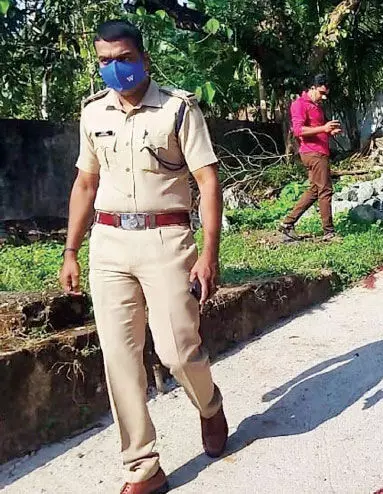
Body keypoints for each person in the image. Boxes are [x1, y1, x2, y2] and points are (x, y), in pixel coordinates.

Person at [59, 20, 227, 494]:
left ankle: (209, 405)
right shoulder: (92, 113)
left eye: (124, 57)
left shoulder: (177, 110)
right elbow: (85, 183)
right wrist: (71, 250)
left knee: (177, 351)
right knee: (120, 358)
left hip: (166, 240)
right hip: (108, 244)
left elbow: (208, 182)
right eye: (105, 61)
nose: (116, 68)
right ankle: (143, 466)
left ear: (144, 58)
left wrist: (208, 254)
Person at [279, 74, 342, 241]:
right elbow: (298, 131)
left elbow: (318, 128)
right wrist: (323, 128)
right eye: (321, 92)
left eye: (325, 93)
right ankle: (329, 232)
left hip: (318, 151)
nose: (323, 96)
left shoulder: (316, 105)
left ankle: (287, 224)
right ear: (312, 88)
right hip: (313, 153)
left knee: (314, 190)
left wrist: (330, 130)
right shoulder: (299, 104)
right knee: (325, 190)